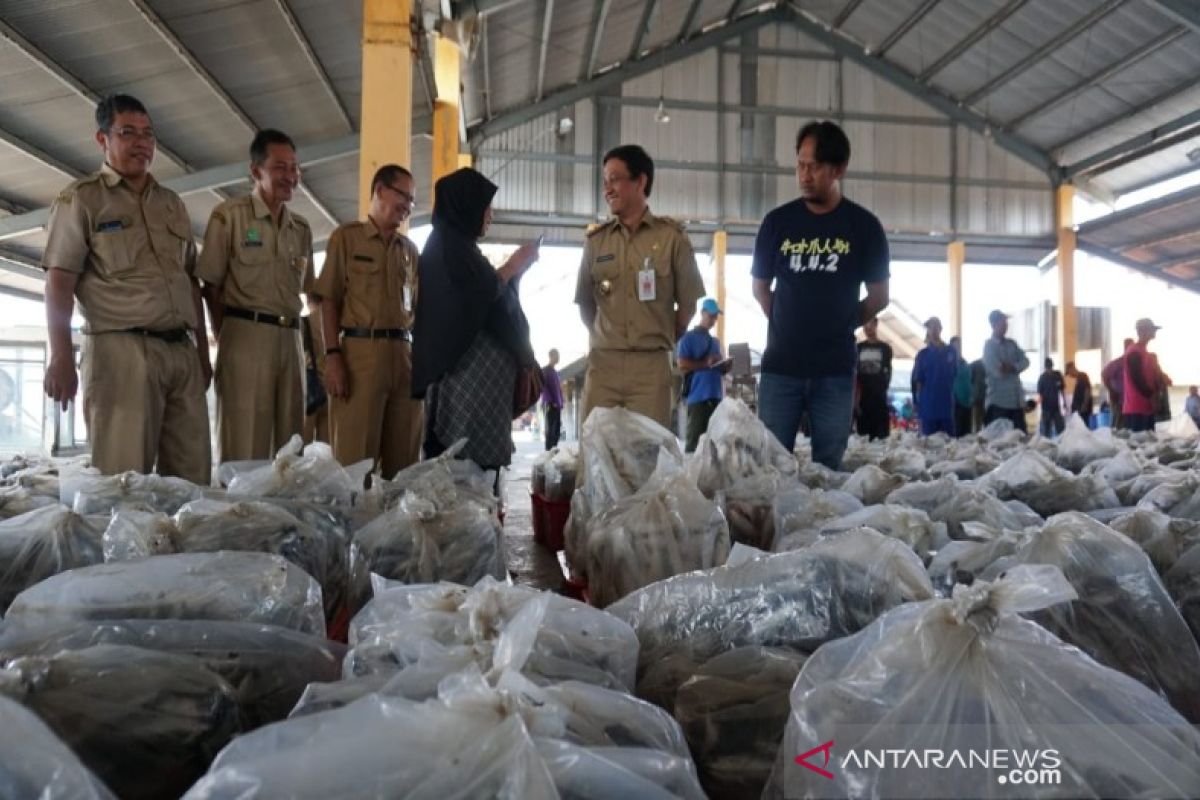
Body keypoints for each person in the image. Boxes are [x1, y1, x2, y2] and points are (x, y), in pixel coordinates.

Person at [41, 94, 211, 484]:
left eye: (148, 134)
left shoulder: (171, 203)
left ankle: (182, 548)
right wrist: (61, 357)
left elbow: (190, 282)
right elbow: (59, 282)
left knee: (191, 481)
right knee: (123, 481)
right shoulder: (83, 199)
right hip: (121, 353)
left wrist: (201, 352)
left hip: (180, 353)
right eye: (128, 133)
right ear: (103, 139)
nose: (142, 143)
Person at [751, 120, 890, 468]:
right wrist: (787, 322)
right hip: (781, 368)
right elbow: (759, 288)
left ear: (838, 169)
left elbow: (879, 296)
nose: (805, 174)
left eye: (814, 166)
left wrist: (841, 324)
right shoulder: (777, 223)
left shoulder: (864, 227)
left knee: (828, 465)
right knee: (771, 466)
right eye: (800, 164)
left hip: (835, 371)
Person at [412, 167, 541, 472]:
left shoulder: (461, 248)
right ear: (466, 206)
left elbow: (489, 293)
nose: (490, 215)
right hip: (467, 386)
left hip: (481, 389)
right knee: (464, 469)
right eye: (486, 207)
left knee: (480, 472)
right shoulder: (448, 250)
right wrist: (514, 264)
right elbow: (477, 298)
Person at [197, 129, 314, 463]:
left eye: (294, 168)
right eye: (280, 167)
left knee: (291, 449)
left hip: (291, 339)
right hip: (245, 335)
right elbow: (210, 286)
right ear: (256, 171)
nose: (290, 177)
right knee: (244, 447)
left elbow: (310, 293)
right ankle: (240, 514)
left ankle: (284, 515)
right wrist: (225, 336)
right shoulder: (229, 216)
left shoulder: (301, 229)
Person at [575, 145, 705, 430]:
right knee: (597, 455)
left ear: (641, 181)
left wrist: (658, 335)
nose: (607, 188)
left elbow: (687, 306)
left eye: (615, 179)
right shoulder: (596, 242)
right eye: (604, 181)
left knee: (645, 459)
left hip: (651, 368)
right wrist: (607, 336)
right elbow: (586, 303)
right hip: (603, 365)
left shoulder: (673, 239)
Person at [312, 165, 423, 478]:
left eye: (413, 201)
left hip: (403, 357)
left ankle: (396, 527)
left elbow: (417, 310)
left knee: (404, 465)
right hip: (360, 355)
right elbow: (328, 300)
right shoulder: (346, 239)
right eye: (403, 195)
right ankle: (355, 526)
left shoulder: (410, 251)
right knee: (354, 463)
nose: (407, 206)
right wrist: (332, 357)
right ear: (380, 191)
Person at [677, 298, 726, 452]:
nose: (713, 320)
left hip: (716, 397)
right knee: (694, 444)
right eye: (711, 315)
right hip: (698, 398)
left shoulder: (715, 342)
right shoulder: (688, 338)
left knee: (715, 445)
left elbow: (717, 368)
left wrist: (724, 366)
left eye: (715, 316)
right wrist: (705, 363)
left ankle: (712, 476)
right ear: (702, 313)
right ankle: (692, 475)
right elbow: (682, 364)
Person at [981, 309, 1030, 432]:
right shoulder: (989, 347)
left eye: (1006, 323)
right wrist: (1015, 366)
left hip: (1016, 403)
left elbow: (1026, 361)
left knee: (1021, 440)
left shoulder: (1012, 344)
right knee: (999, 443)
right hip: (998, 404)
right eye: (1002, 323)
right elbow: (998, 371)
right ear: (993, 325)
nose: (1006, 326)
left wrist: (1012, 367)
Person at [911, 317, 958, 436]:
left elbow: (954, 375)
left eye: (936, 326)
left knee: (948, 444)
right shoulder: (922, 355)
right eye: (930, 327)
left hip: (946, 406)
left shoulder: (951, 351)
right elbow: (918, 381)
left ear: (941, 329)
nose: (933, 330)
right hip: (928, 408)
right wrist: (917, 403)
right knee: (928, 444)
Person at [1122, 318, 1165, 433]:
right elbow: (1137, 379)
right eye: (1152, 329)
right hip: (1136, 408)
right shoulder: (1134, 351)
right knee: (1139, 446)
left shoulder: (1144, 352)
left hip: (1146, 408)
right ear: (1143, 331)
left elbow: (1150, 377)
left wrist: (1156, 394)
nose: (1154, 332)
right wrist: (1152, 397)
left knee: (1148, 446)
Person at [855, 317, 892, 440]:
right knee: (862, 439)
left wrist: (883, 388)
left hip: (879, 400)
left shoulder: (885, 349)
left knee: (881, 438)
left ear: (876, 324)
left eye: (869, 324)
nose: (867, 328)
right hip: (862, 401)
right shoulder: (858, 348)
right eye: (864, 325)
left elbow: (888, 372)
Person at [1101, 338, 1134, 430]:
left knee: (1130, 428)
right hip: (1119, 400)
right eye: (1128, 346)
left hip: (1132, 402)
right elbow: (1104, 375)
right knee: (1118, 425)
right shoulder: (1117, 363)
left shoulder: (1135, 363)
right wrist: (1111, 391)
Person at [950, 336, 973, 438]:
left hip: (967, 401)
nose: (957, 348)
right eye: (955, 346)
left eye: (959, 346)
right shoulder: (949, 363)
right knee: (957, 431)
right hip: (956, 401)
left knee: (967, 431)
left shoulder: (965, 363)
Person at [1037, 357, 1066, 437]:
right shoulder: (1042, 378)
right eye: (1048, 367)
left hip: (1056, 407)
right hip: (1046, 407)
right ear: (1045, 367)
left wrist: (1064, 403)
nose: (1049, 369)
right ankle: (1046, 444)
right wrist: (1037, 404)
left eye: (1050, 366)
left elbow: (1061, 390)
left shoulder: (1057, 376)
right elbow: (1040, 394)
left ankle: (1061, 444)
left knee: (1060, 429)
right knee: (1046, 430)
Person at [541, 349, 564, 451]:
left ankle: (553, 450)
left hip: (557, 406)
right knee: (551, 430)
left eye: (558, 356)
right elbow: (543, 387)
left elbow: (558, 389)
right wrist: (551, 401)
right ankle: (548, 451)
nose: (558, 358)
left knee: (557, 430)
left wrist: (561, 402)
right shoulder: (545, 370)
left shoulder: (555, 372)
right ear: (550, 356)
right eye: (556, 355)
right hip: (550, 405)